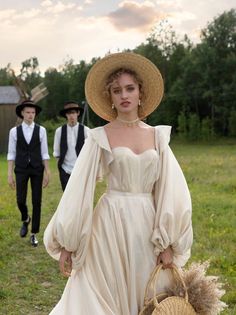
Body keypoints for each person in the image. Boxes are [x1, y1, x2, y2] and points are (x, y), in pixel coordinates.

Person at [44, 52, 193, 314]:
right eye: (116, 90)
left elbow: (171, 190)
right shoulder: (99, 137)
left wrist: (168, 242)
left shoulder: (157, 137)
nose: (124, 95)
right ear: (110, 97)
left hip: (148, 228)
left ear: (140, 93)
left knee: (148, 295)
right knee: (102, 293)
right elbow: (79, 188)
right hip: (109, 224)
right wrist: (68, 241)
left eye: (129, 88)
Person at [7, 99, 50, 247]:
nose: (31, 115)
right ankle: (26, 219)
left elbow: (44, 153)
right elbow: (11, 154)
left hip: (37, 168)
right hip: (21, 168)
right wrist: (9, 174)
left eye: (33, 112)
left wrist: (48, 172)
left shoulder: (41, 130)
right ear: (22, 113)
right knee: (20, 199)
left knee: (36, 201)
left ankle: (34, 233)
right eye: (28, 112)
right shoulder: (14, 131)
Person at [53, 101, 89, 191]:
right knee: (66, 197)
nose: (71, 116)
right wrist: (60, 169)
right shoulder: (59, 131)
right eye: (69, 113)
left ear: (78, 113)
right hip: (65, 169)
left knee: (80, 196)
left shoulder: (86, 130)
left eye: (73, 113)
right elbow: (56, 153)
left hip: (81, 169)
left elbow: (90, 151)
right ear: (66, 115)